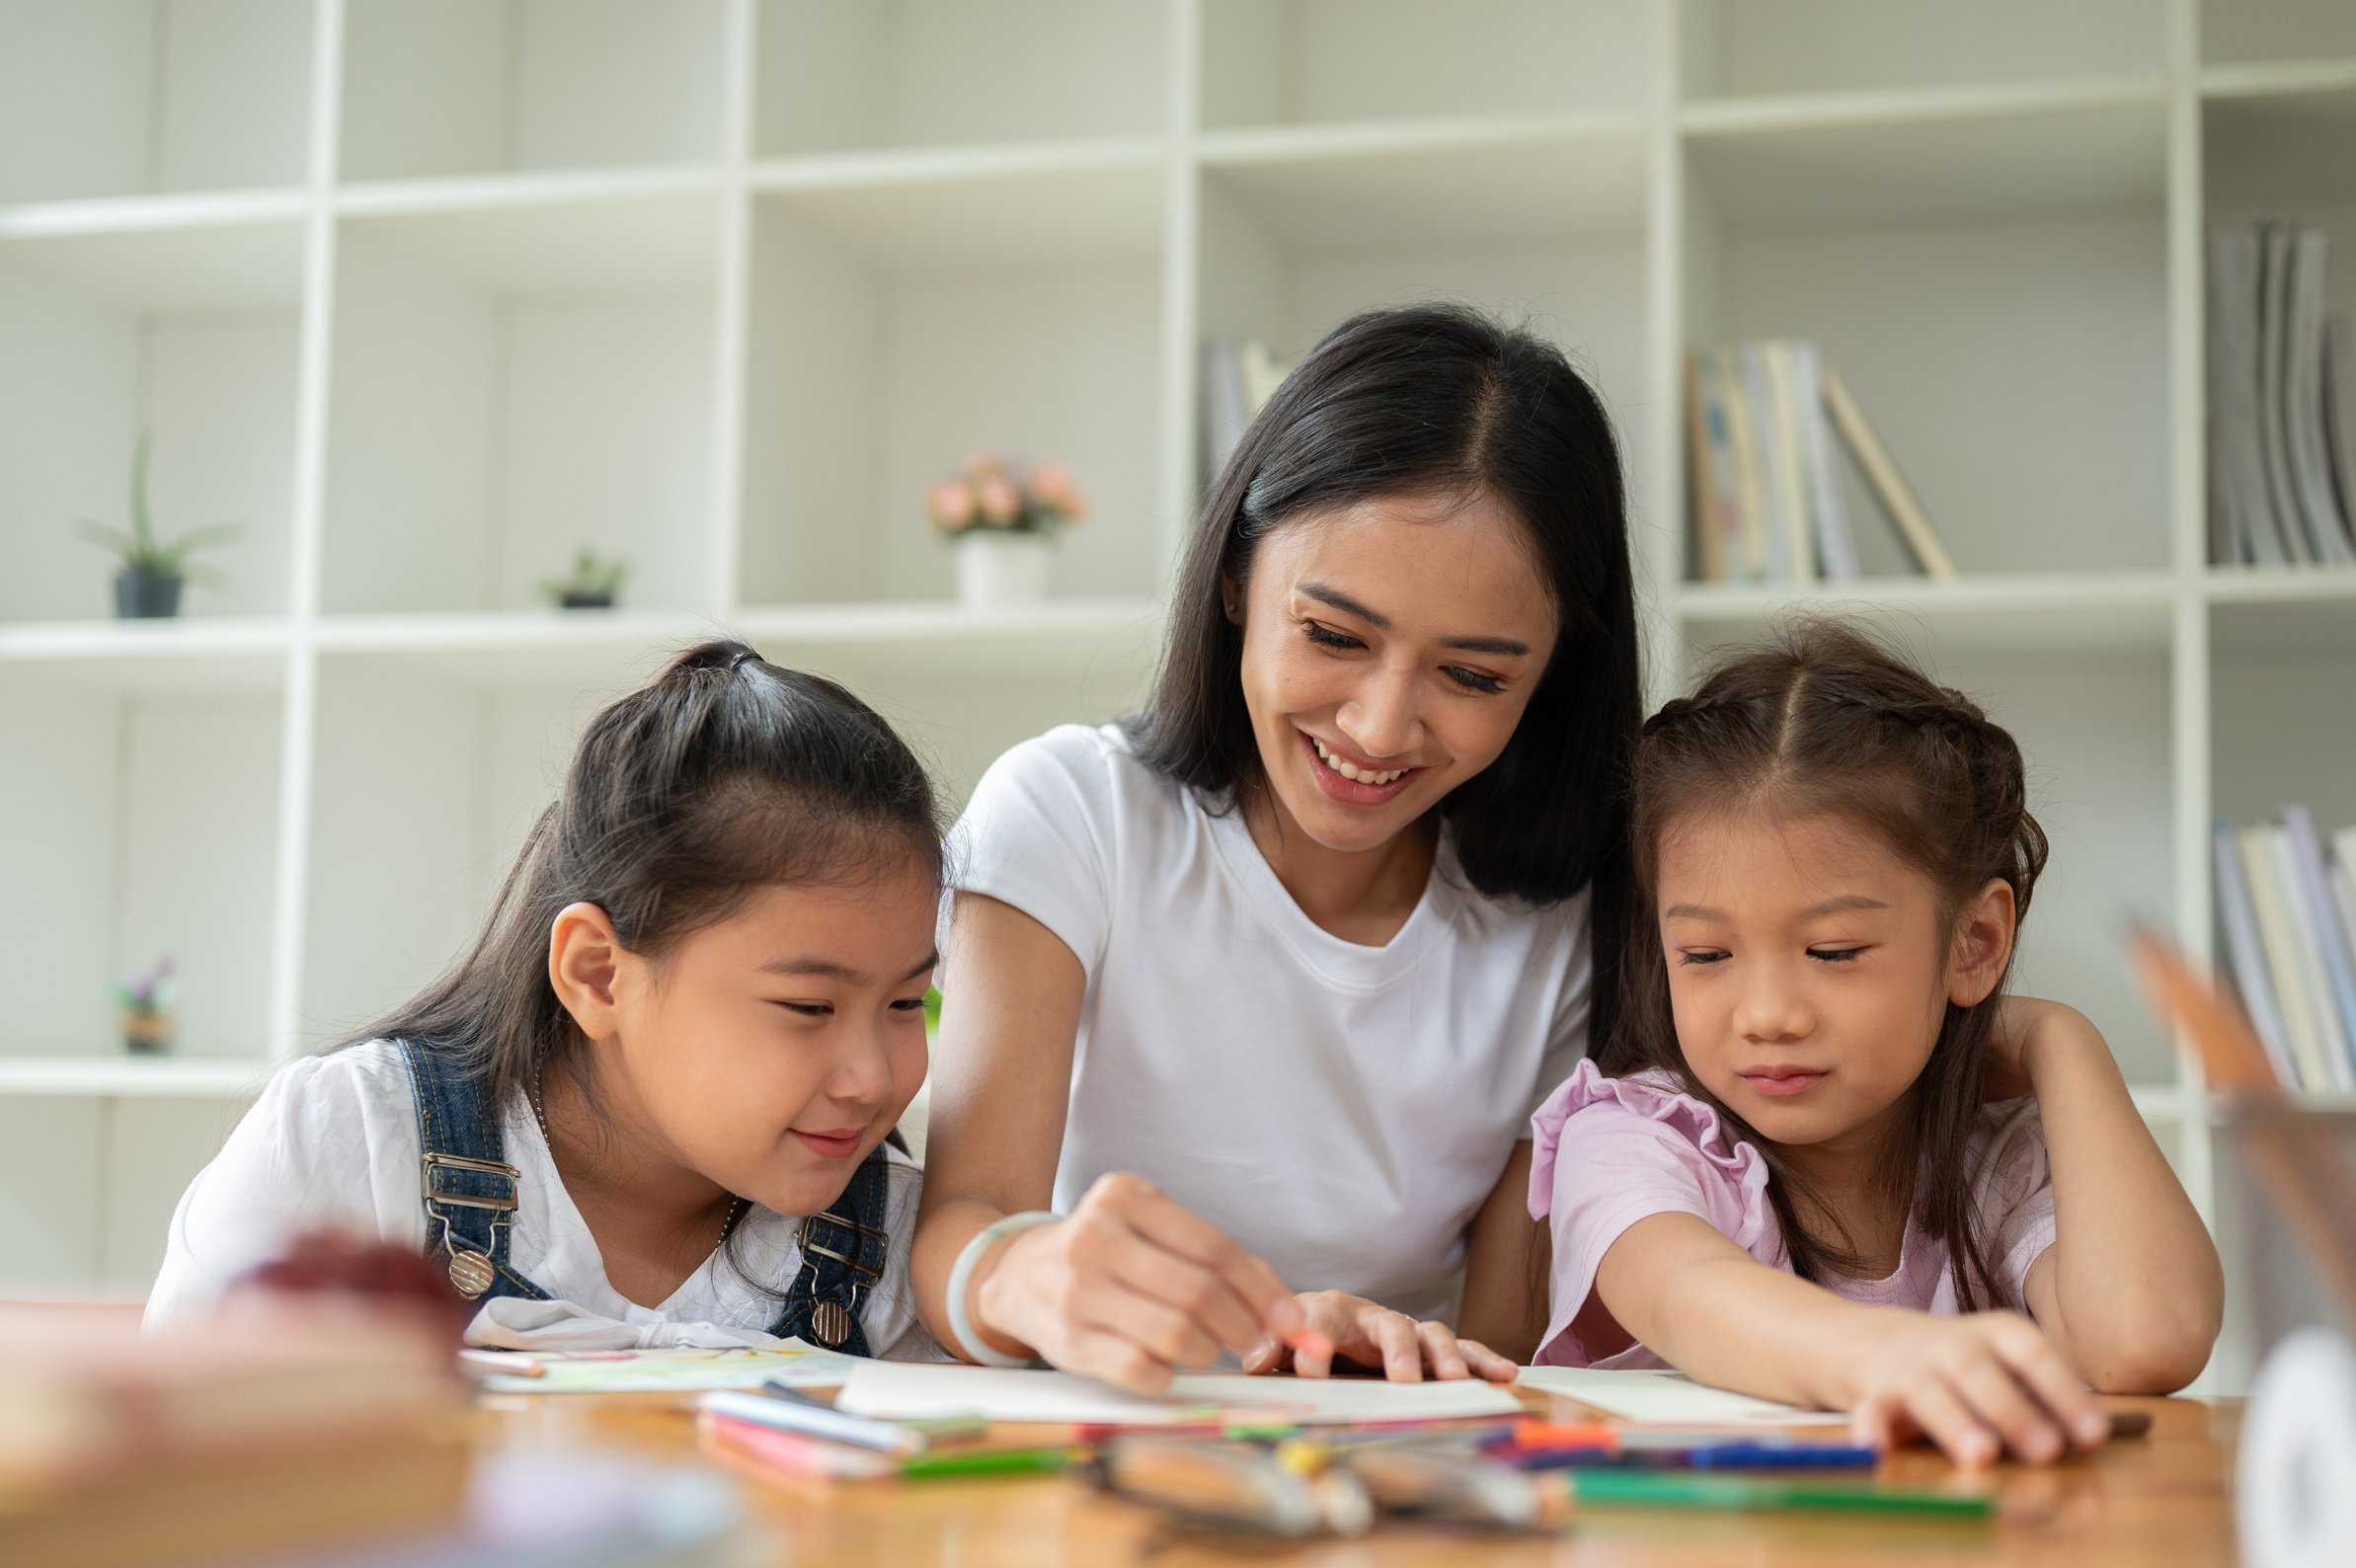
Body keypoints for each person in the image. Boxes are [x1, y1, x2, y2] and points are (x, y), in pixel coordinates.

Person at [916, 302, 1641, 1389]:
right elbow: (961, 1221)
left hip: (1394, 1461)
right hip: (1102, 1432)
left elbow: (1499, 1352)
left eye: (1475, 677)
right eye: (1333, 635)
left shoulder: (1561, 921)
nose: (1379, 727)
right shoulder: (1072, 812)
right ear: (1233, 580)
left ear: (1550, 684)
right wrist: (1022, 1276)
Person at [1530, 621, 2223, 1464]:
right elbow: (1693, 1298)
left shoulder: (1996, 1166)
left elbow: (2145, 1341)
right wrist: (1889, 1355)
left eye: (1833, 952)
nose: (1768, 1014)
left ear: (1973, 945)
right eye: (1707, 955)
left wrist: (2063, 1041)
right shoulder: (1633, 1140)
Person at [148, 642, 945, 1357]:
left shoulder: (907, 1249)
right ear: (598, 973)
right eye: (810, 1007)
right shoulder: (351, 1145)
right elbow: (163, 1477)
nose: (872, 1078)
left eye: (908, 1003)